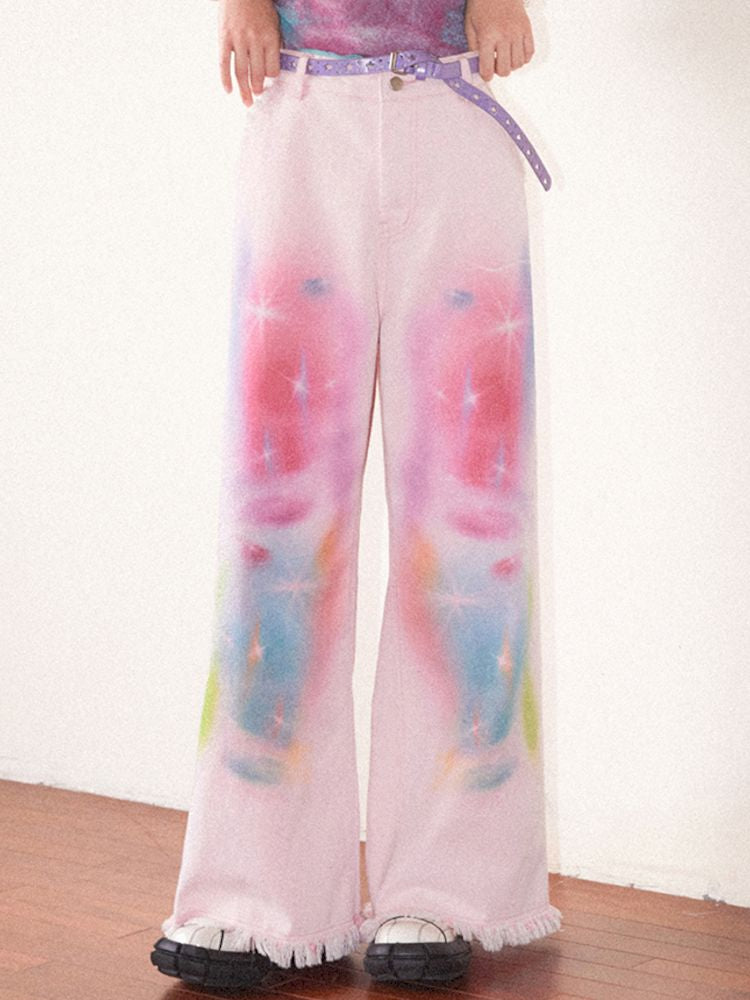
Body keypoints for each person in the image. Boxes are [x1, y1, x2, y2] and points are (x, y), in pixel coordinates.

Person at [150, 0, 562, 992]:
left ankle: (449, 886)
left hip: (454, 104)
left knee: (468, 515)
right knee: (278, 510)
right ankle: (255, 890)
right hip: (301, 110)